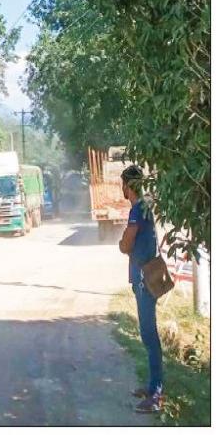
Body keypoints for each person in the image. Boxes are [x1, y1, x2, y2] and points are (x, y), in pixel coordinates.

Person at [118, 164, 163, 413]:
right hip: (145, 278)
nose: (122, 189)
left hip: (145, 281)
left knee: (149, 335)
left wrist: (122, 244)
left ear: (127, 186)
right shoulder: (144, 206)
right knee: (147, 335)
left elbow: (127, 243)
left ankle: (156, 395)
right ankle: (153, 385)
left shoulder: (137, 209)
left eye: (123, 185)